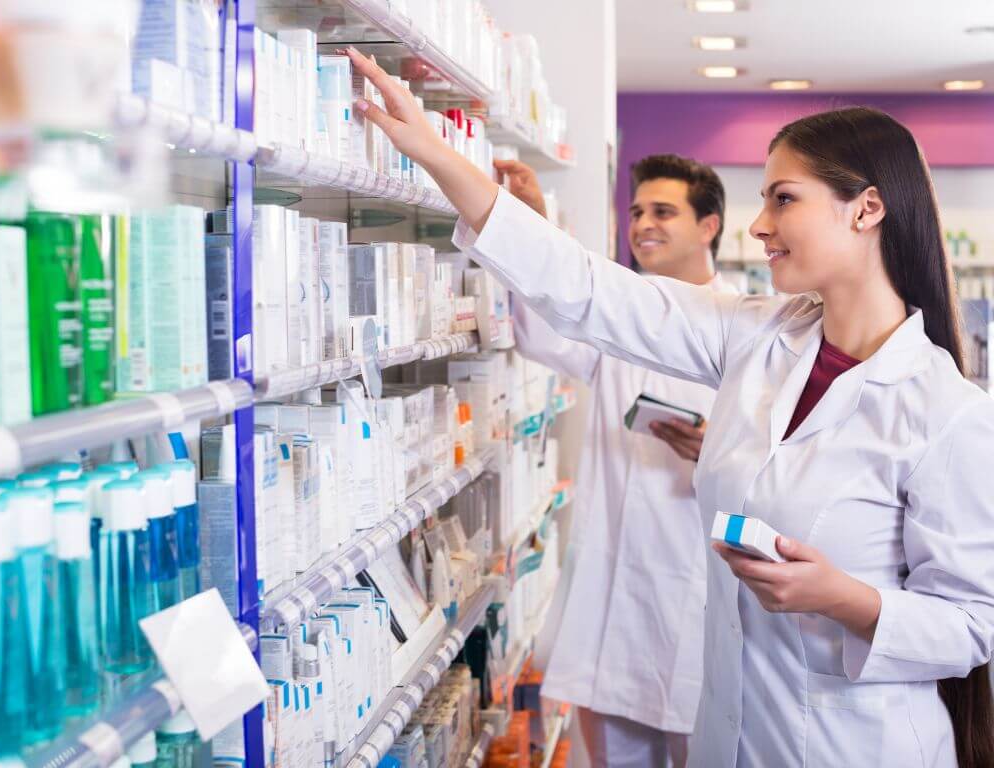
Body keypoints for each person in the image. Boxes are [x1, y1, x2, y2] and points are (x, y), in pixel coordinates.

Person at [347, 47, 994, 768]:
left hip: (861, 746)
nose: (759, 225)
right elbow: (590, 289)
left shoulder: (949, 413)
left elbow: (973, 624)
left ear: (866, 208)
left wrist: (846, 599)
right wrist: (436, 153)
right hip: (733, 732)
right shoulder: (756, 336)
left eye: (784, 198)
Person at [494, 154, 734, 768]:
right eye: (635, 212)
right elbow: (546, 332)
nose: (642, 225)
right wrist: (533, 222)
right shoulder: (624, 315)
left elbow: (793, 467)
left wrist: (725, 450)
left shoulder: (745, 330)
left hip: (694, 590)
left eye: (662, 211)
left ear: (709, 226)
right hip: (614, 588)